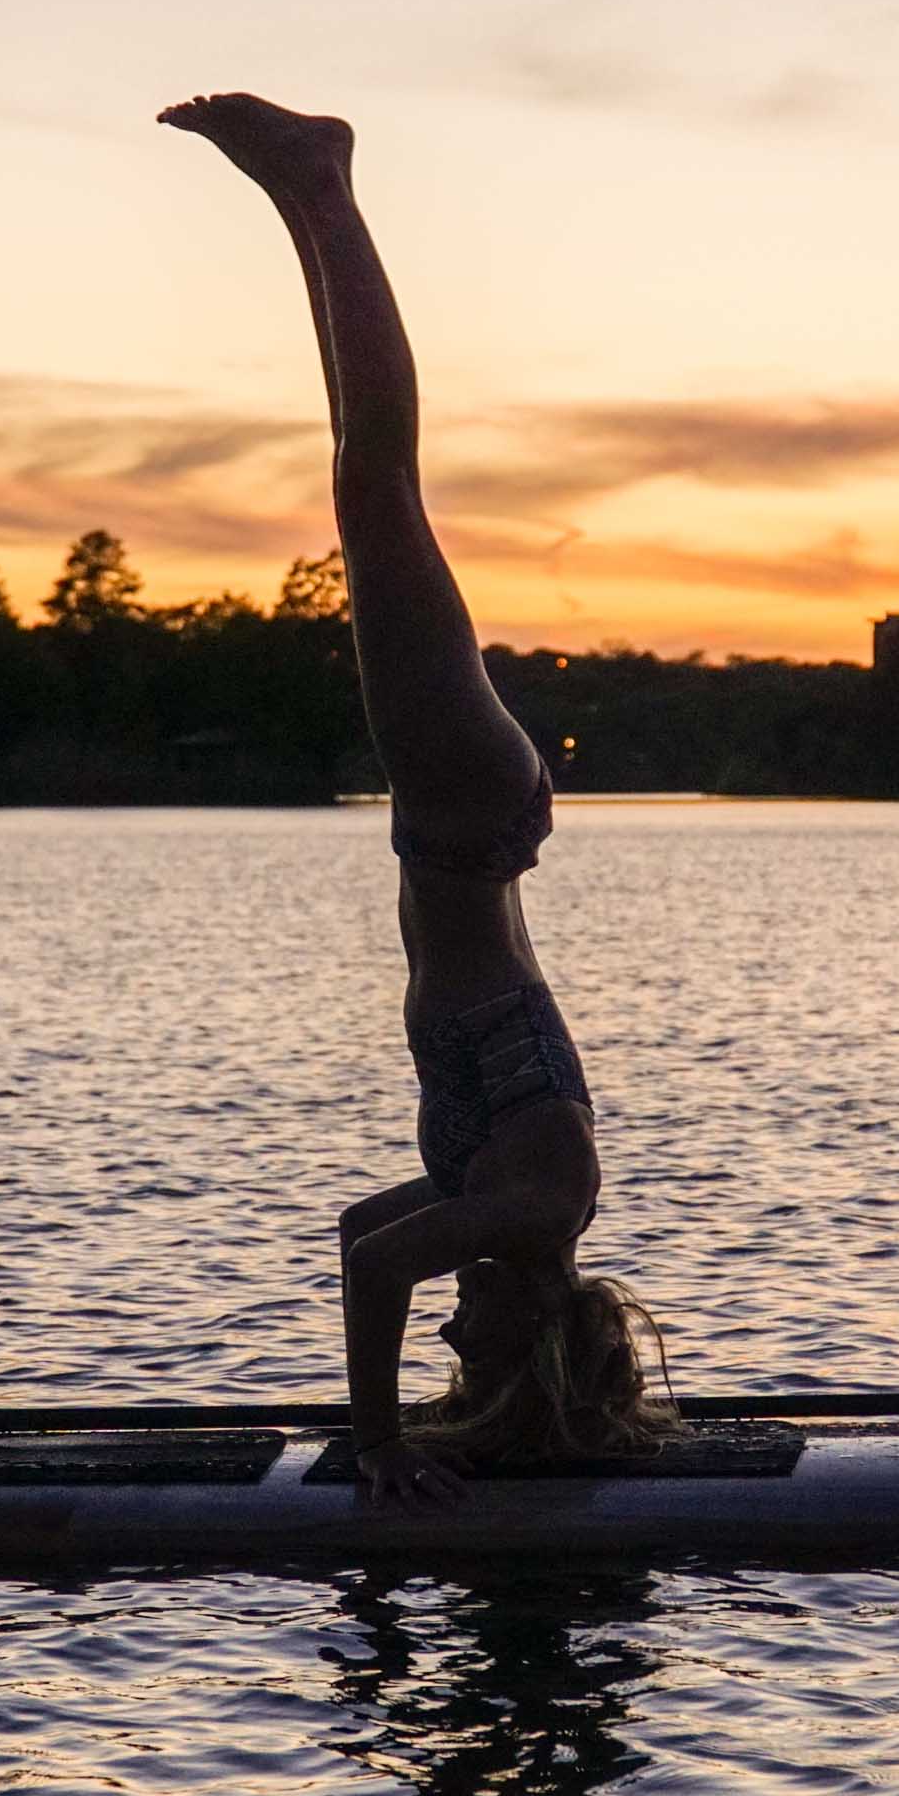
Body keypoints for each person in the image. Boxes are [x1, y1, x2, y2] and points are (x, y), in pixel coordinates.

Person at [161, 92, 671, 1512]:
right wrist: (378, 1441)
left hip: (467, 823)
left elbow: (360, 1231)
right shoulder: (530, 1210)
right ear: (536, 1348)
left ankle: (302, 195)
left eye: (443, 1353)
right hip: (463, 817)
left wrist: (401, 1425)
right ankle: (319, 184)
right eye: (474, 1351)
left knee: (365, 489)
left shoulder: (507, 1220)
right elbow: (382, 1266)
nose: (453, 1327)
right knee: (377, 485)